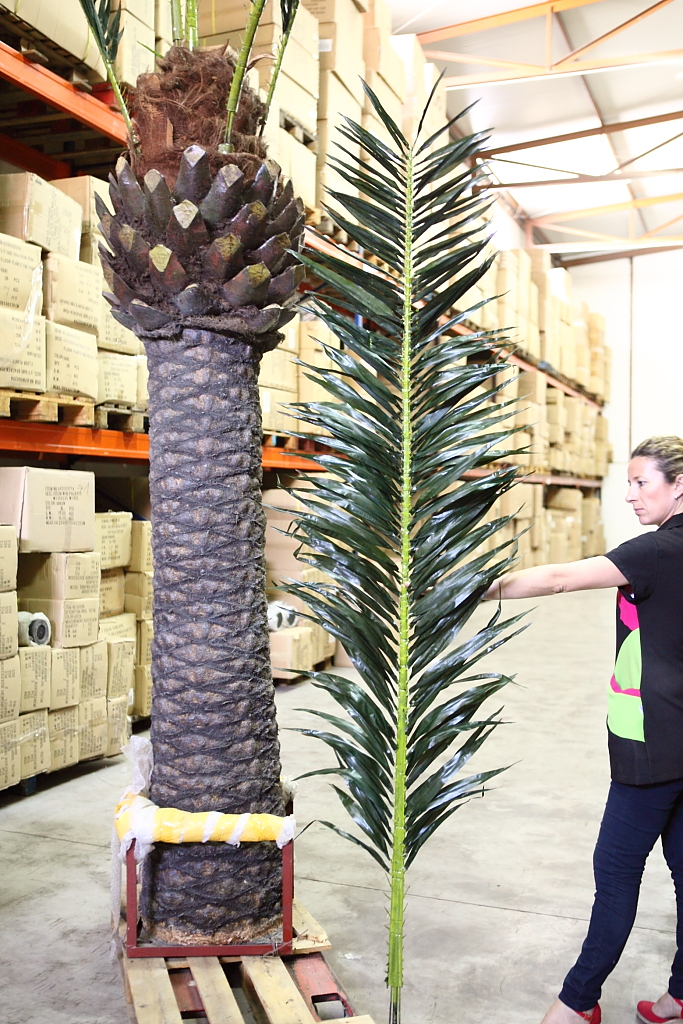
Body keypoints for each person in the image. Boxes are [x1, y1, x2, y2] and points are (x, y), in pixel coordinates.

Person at [483, 436, 683, 1024]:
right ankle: (679, 996)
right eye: (629, 483)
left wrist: (469, 588)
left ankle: (577, 1003)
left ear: (679, 485)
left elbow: (558, 579)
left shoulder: (657, 550)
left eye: (642, 482)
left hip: (652, 740)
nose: (630, 495)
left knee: (616, 873)